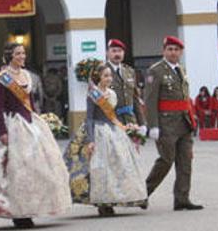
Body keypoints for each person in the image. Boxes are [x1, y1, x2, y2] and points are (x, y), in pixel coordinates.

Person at [0, 43, 72, 228]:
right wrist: (2, 131)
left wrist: (39, 120)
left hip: (28, 123)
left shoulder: (27, 75)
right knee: (14, 170)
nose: (22, 56)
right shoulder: (1, 79)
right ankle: (17, 213)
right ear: (10, 56)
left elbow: (30, 102)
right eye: (18, 53)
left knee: (37, 168)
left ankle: (32, 207)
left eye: (23, 53)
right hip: (10, 124)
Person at [65, 63, 148, 216]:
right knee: (100, 168)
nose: (109, 78)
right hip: (97, 131)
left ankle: (116, 197)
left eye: (110, 75)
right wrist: (90, 140)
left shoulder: (112, 93)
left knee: (118, 166)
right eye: (105, 76)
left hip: (113, 130)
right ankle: (102, 202)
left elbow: (113, 116)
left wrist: (127, 128)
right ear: (98, 78)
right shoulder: (92, 94)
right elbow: (89, 118)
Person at [144, 36, 202, 211]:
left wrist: (192, 116)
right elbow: (150, 100)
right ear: (164, 51)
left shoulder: (181, 70)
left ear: (181, 52)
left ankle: (182, 198)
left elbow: (184, 96)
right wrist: (152, 125)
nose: (173, 52)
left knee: (185, 161)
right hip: (166, 122)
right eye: (170, 49)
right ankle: (143, 193)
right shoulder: (155, 71)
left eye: (176, 50)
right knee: (166, 160)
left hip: (184, 122)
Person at [106, 39, 144, 127]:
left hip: (130, 121)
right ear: (107, 53)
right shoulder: (101, 72)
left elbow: (135, 99)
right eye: (114, 51)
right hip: (111, 121)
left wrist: (142, 123)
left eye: (120, 51)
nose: (117, 54)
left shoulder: (129, 71)